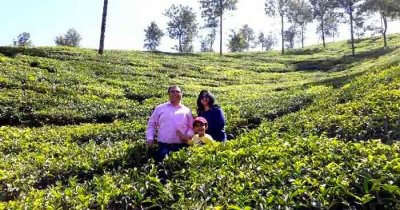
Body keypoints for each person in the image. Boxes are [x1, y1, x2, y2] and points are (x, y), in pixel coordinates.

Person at [146, 85, 194, 162]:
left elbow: (191, 127)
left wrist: (187, 136)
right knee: (161, 168)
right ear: (168, 94)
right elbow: (151, 124)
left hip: (181, 146)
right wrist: (150, 138)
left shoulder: (187, 110)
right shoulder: (160, 108)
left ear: (181, 94)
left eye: (177, 92)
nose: (175, 93)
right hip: (163, 145)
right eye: (172, 91)